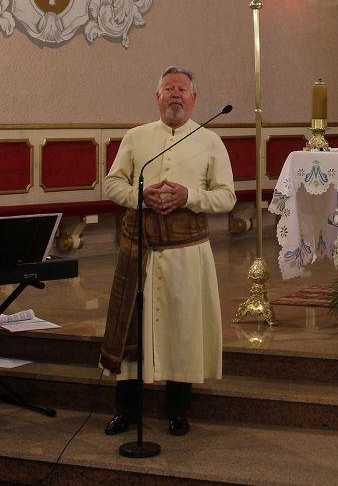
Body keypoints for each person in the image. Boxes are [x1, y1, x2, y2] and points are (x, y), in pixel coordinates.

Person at [100, 66, 236, 437]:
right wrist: (138, 196)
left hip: (186, 252)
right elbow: (112, 184)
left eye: (183, 90)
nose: (176, 95)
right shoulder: (136, 137)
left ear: (194, 99)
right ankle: (125, 411)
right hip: (139, 248)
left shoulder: (209, 141)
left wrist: (188, 196)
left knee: (182, 330)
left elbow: (227, 196)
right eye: (169, 89)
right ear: (157, 96)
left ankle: (177, 410)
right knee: (133, 323)